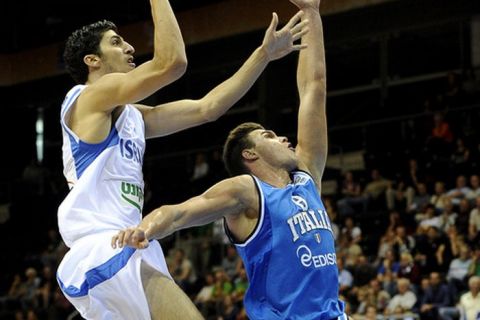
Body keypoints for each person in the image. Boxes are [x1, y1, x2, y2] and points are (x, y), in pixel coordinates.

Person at [56, 0, 309, 318]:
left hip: (128, 240)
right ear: (92, 60)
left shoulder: (133, 117)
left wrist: (264, 55)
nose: (130, 47)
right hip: (103, 246)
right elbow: (171, 63)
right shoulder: (87, 97)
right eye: (116, 42)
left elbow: (209, 108)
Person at [112, 0, 348, 319]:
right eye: (269, 135)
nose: (282, 138)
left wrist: (312, 13)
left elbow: (313, 90)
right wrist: (144, 230)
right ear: (249, 154)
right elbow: (180, 213)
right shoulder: (246, 192)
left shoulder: (307, 177)